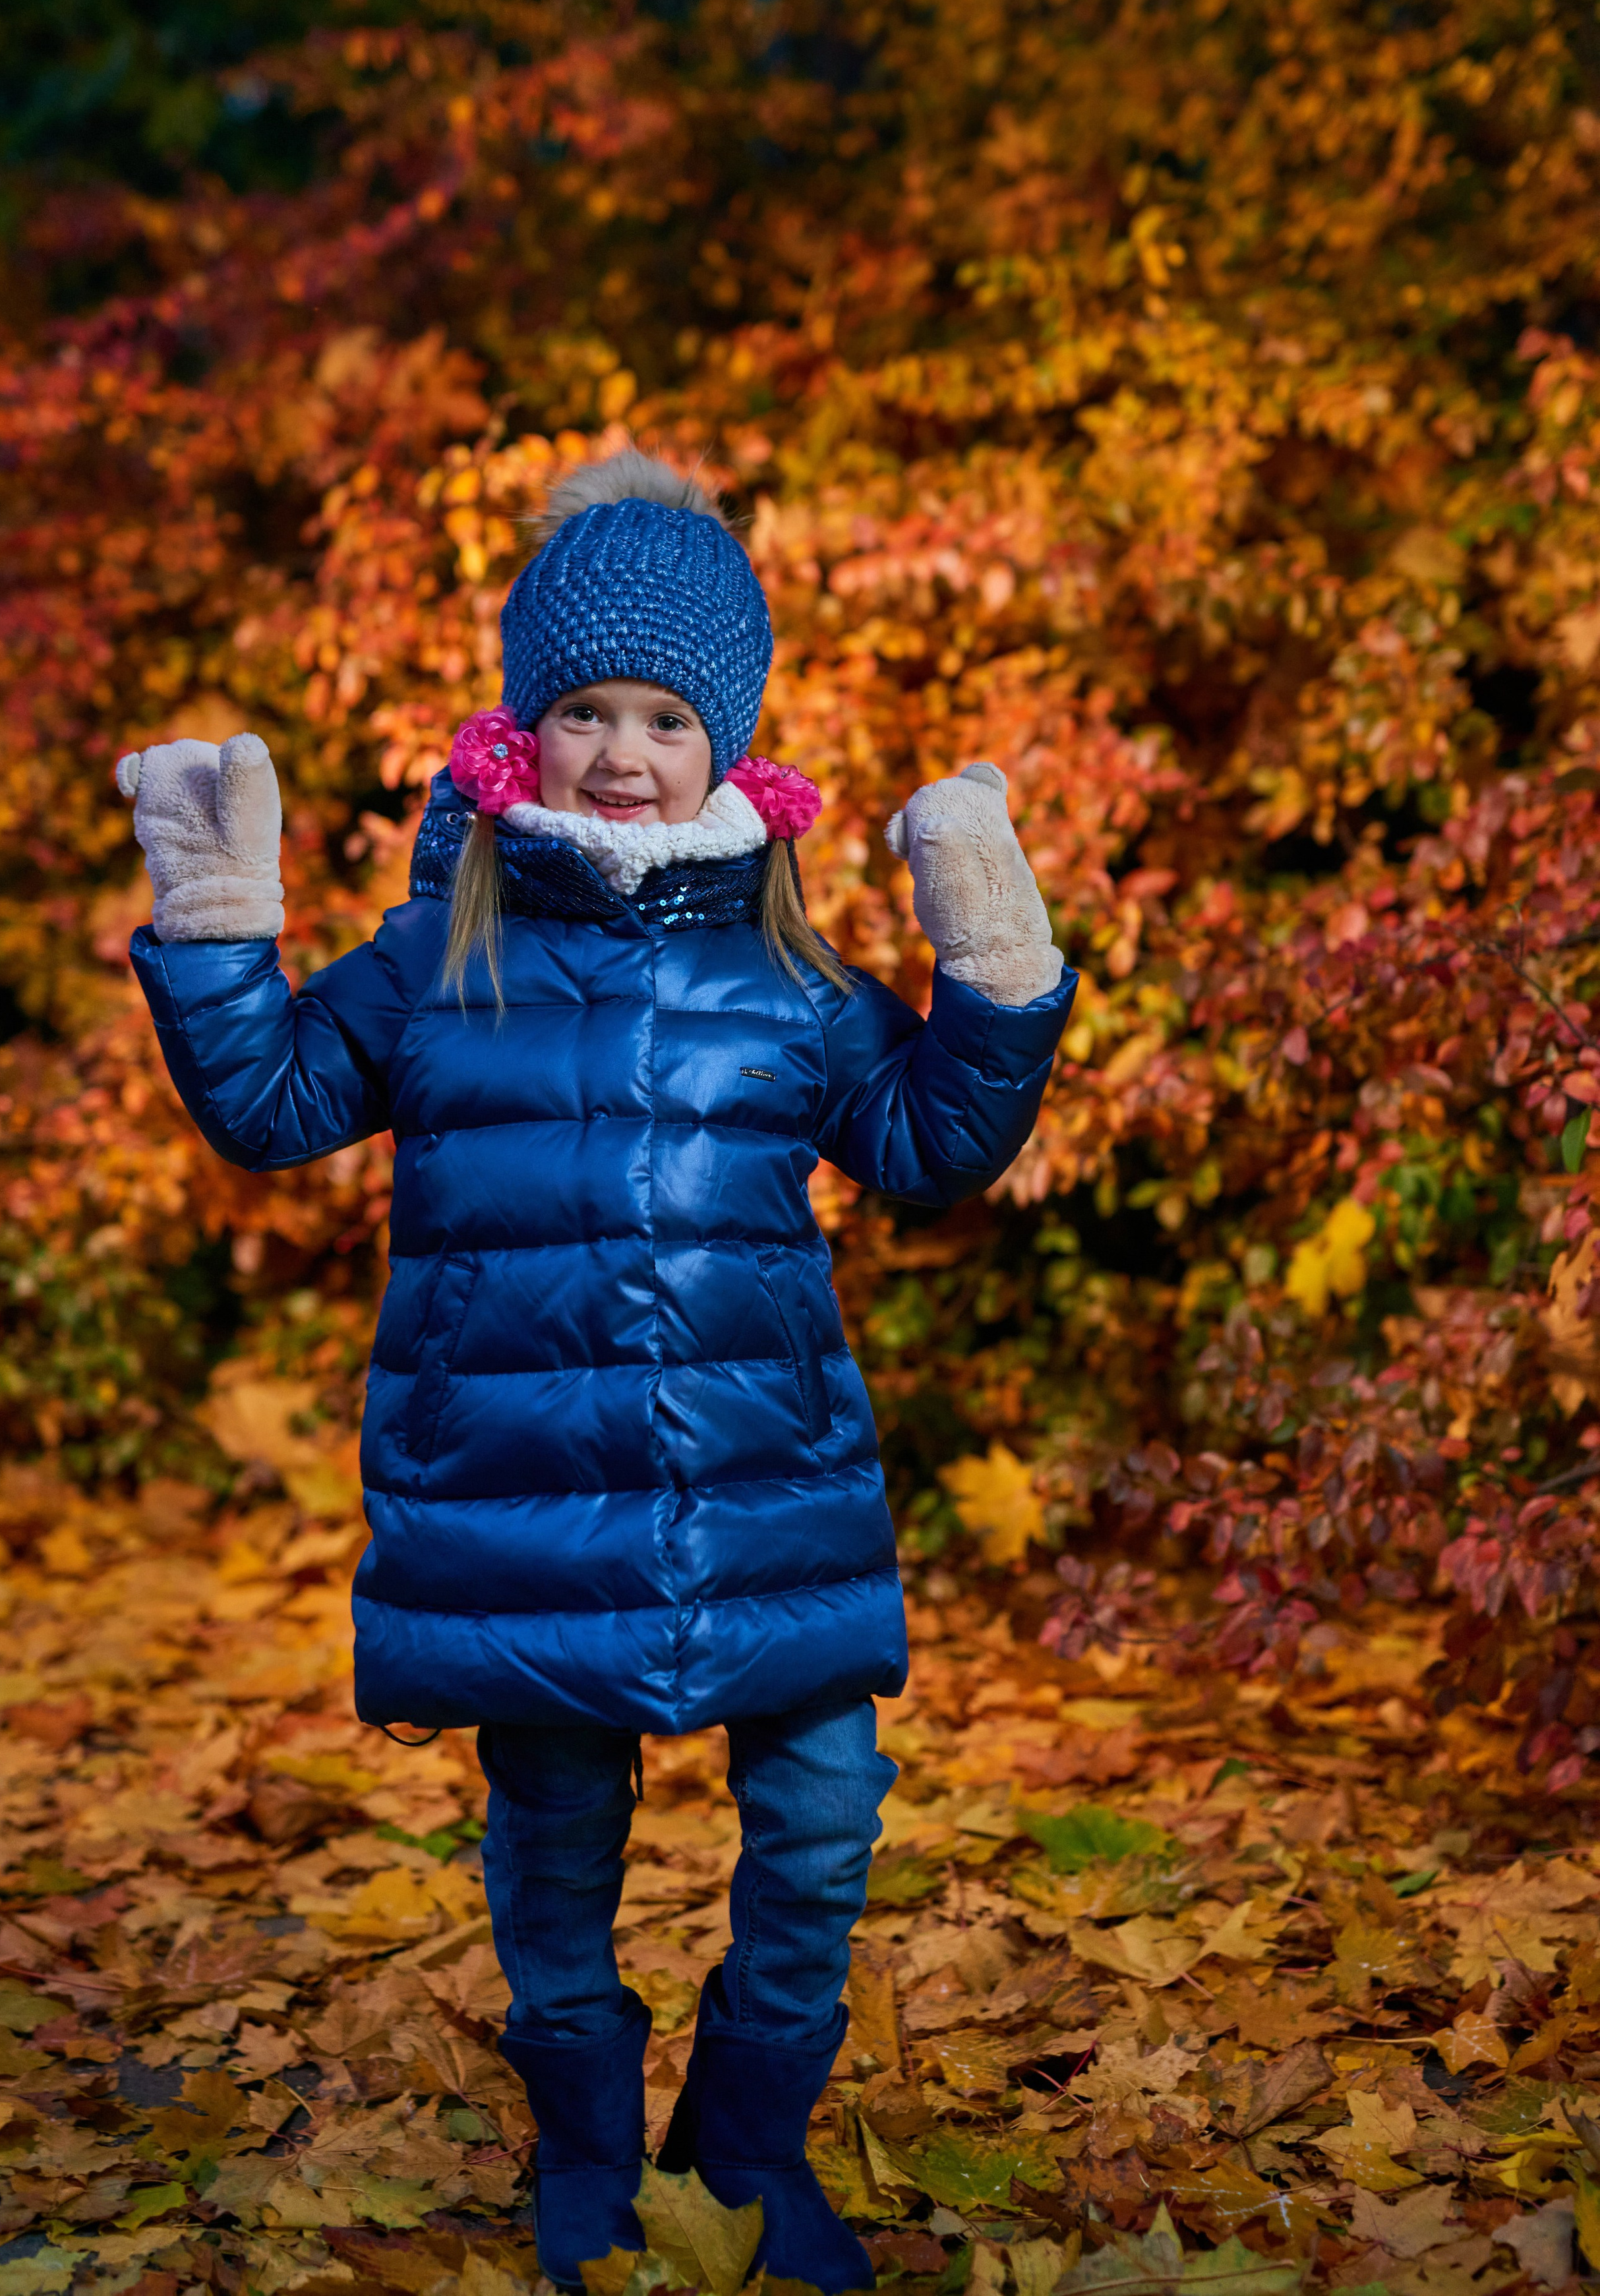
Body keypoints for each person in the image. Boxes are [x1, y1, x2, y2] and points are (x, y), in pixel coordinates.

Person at [117, 447, 1077, 2293]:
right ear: (521, 726)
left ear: (724, 740)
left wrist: (998, 976)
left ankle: (745, 2153)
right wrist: (221, 929)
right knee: (554, 1841)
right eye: (581, 710)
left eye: (660, 715)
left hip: (765, 1504)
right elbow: (272, 1103)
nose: (620, 751)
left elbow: (925, 1142)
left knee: (816, 1833)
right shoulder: (442, 950)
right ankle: (581, 2151)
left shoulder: (788, 972)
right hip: (521, 1502)